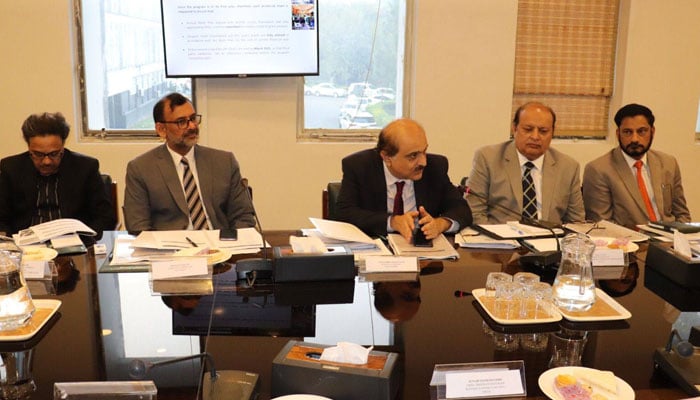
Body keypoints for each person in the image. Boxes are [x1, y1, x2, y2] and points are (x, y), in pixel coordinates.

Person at [124, 93, 256, 234]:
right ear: (161, 129)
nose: (192, 126)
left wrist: (233, 244)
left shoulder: (224, 162)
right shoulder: (141, 169)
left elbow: (243, 216)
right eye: (182, 122)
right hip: (171, 251)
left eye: (193, 119)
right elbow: (137, 225)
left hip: (220, 247)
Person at [335, 118, 471, 241]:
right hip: (377, 252)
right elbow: (343, 215)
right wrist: (392, 222)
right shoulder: (359, 167)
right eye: (413, 156)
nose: (423, 162)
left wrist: (441, 224)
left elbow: (461, 209)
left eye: (424, 151)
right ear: (387, 158)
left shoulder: (435, 167)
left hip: (424, 258)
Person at [466, 102, 585, 225]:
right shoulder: (488, 158)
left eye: (543, 131)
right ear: (515, 128)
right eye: (528, 129)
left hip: (549, 240)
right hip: (501, 240)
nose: (535, 136)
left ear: (552, 133)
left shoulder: (568, 167)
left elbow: (576, 221)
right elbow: (474, 212)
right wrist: (496, 240)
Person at [0, 112, 115, 239]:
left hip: (74, 244)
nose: (46, 161)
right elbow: (2, 217)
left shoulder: (85, 168)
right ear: (29, 148)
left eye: (54, 154)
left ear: (63, 147)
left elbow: (104, 217)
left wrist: (85, 240)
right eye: (38, 154)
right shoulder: (11, 168)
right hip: (26, 247)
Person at [582, 103, 691, 228]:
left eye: (642, 131)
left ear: (652, 132)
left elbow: (682, 214)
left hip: (671, 240)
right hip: (631, 244)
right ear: (618, 134)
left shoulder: (668, 163)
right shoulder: (599, 170)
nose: (635, 139)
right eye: (627, 132)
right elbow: (602, 225)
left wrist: (680, 240)